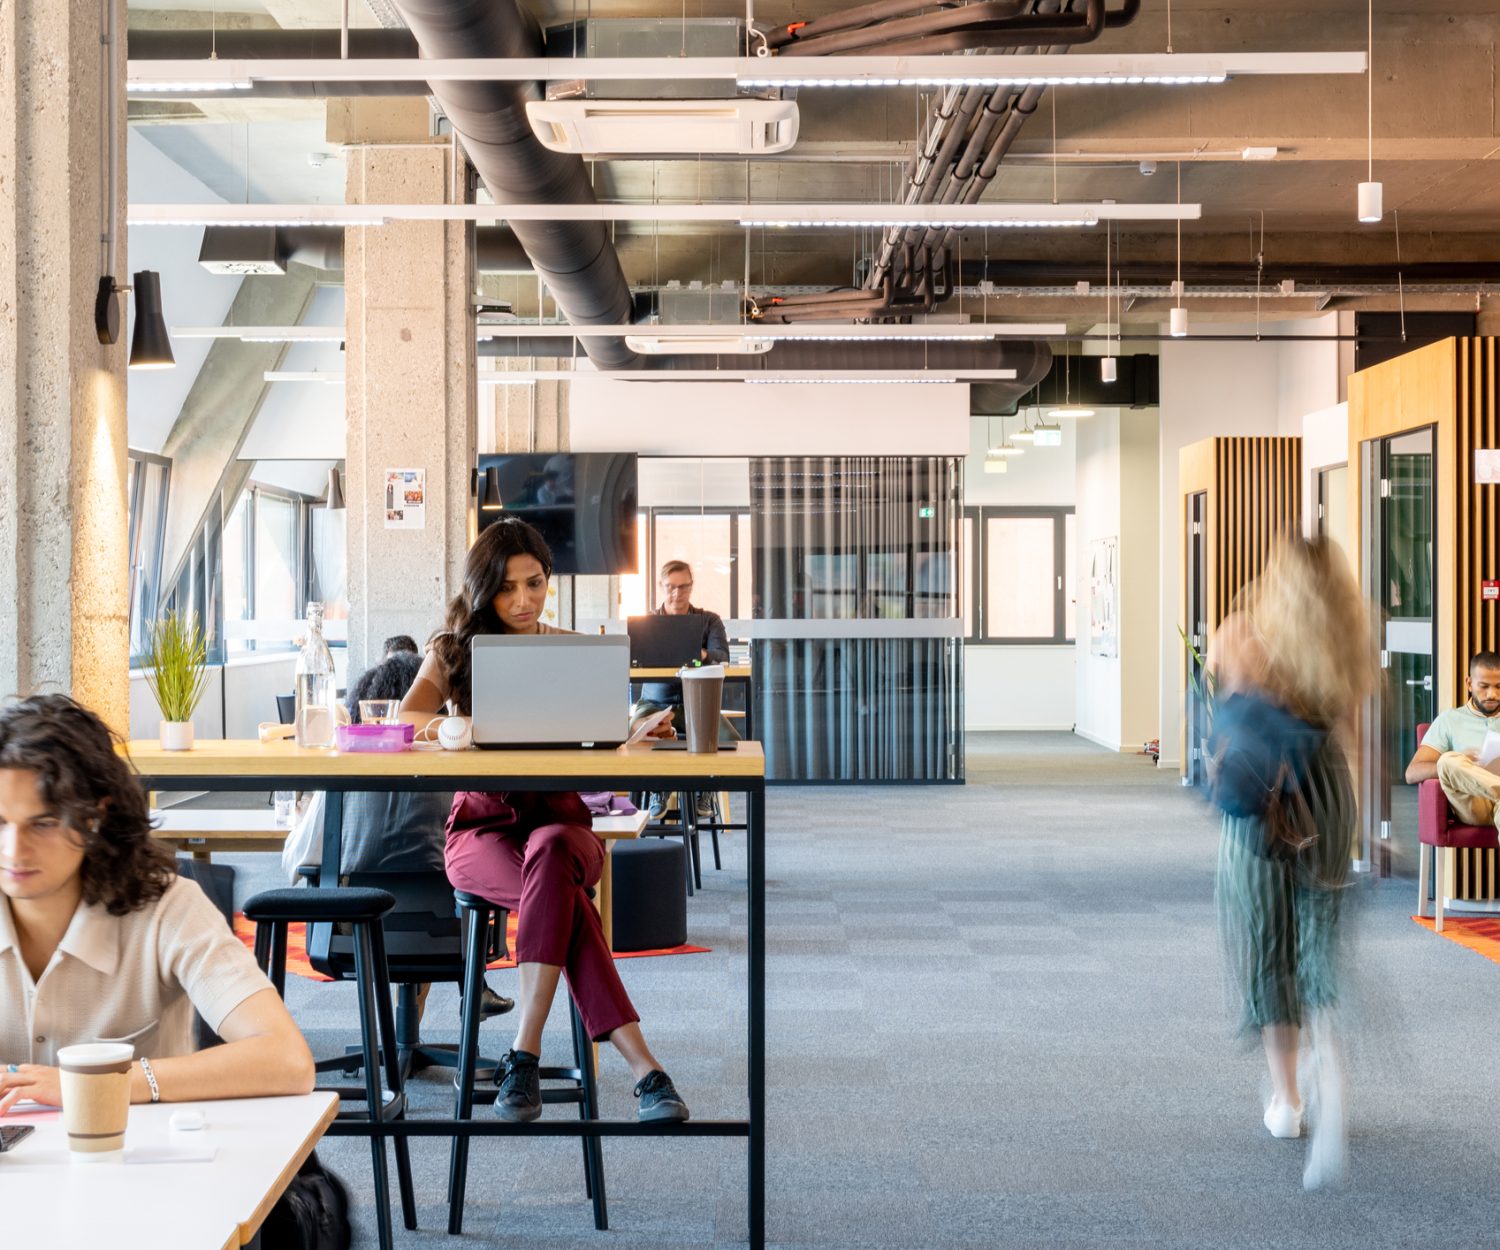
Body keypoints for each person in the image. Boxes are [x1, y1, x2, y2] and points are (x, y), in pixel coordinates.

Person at [399, 516, 690, 1124]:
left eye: (535, 583)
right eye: (507, 588)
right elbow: (405, 721)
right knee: (562, 897)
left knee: (554, 851)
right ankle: (646, 1070)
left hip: (563, 825)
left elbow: (601, 743)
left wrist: (632, 735)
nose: (524, 600)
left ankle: (522, 1054)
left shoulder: (571, 648)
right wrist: (463, 728)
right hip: (482, 829)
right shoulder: (453, 649)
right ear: (483, 590)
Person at [0, 694, 315, 1112]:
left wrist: (99, 1083)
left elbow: (288, 1061)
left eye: (43, 824)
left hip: (141, 1162)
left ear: (96, 815)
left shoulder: (167, 907)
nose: (13, 850)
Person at [1207, 537, 1374, 1189]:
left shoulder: (1241, 634)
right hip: (1328, 798)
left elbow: (1230, 717)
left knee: (1268, 942)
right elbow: (1354, 736)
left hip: (1263, 798)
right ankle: (1326, 1053)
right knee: (1318, 939)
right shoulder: (1343, 643)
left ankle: (1288, 1102)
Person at [283, 652, 514, 1019]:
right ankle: (466, 994)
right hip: (451, 940)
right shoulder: (459, 784)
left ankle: (397, 1048)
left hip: (351, 936)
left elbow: (296, 863)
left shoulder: (341, 783)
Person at [641, 559, 732, 823]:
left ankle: (706, 789)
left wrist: (694, 652)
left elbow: (721, 656)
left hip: (699, 704)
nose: (677, 594)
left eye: (683, 587)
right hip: (655, 704)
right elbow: (637, 660)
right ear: (661, 586)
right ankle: (659, 789)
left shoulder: (708, 620)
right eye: (671, 587)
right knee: (640, 732)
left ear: (691, 587)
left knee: (723, 737)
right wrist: (695, 655)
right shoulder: (647, 623)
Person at [1403, 651, 1500, 831]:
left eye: (1499, 686)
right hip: (1472, 804)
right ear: (1469, 684)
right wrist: (1464, 766)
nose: (1492, 694)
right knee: (1448, 761)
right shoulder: (1450, 719)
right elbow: (1412, 773)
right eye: (1484, 686)